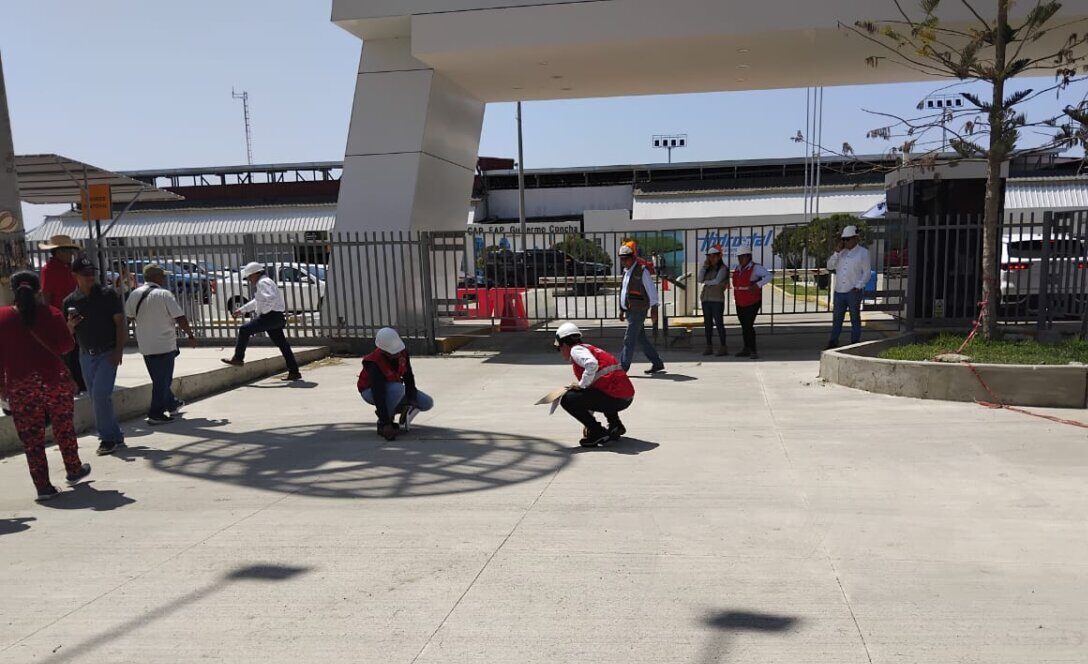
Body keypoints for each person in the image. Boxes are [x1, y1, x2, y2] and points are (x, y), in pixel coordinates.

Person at [0, 271, 91, 501]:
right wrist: (68, 327)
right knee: (63, 427)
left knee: (32, 439)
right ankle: (73, 469)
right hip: (54, 381)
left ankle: (43, 487)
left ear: (13, 290)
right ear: (38, 290)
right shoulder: (52, 314)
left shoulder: (2, 318)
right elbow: (66, 346)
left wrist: (2, 387)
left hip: (21, 385)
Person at [63, 255, 127, 456]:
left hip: (107, 352)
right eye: (85, 274)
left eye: (92, 273)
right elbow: (66, 334)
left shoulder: (107, 295)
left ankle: (107, 439)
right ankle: (116, 435)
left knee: (100, 395)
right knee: (97, 398)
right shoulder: (70, 301)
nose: (90, 277)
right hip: (85, 355)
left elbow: (120, 323)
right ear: (75, 276)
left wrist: (118, 350)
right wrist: (71, 325)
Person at [126, 264, 197, 425]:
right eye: (162, 276)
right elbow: (180, 317)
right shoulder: (164, 294)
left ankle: (171, 404)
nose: (164, 278)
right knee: (162, 380)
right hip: (164, 344)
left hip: (145, 344)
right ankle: (155, 413)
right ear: (156, 277)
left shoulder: (134, 294)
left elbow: (129, 316)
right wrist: (190, 335)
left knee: (159, 379)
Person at [553, 322, 635, 448]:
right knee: (601, 389)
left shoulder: (576, 350)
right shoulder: (590, 349)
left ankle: (598, 433)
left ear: (564, 344)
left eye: (559, 347)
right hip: (625, 397)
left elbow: (591, 365)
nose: (560, 351)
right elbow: (593, 392)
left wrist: (581, 386)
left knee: (567, 399)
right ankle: (615, 425)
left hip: (615, 399)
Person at [221, 262, 302, 381]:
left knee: (244, 330)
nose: (249, 279)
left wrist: (265, 313)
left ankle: (238, 358)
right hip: (277, 318)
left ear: (256, 274)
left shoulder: (263, 283)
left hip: (271, 317)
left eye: (250, 276)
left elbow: (271, 299)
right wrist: (242, 310)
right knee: (283, 345)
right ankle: (294, 372)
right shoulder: (265, 282)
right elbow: (257, 301)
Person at [357, 327, 433, 441]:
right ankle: (383, 420)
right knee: (398, 389)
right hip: (370, 392)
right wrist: (386, 423)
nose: (397, 354)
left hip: (393, 390)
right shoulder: (374, 363)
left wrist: (411, 398)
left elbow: (408, 377)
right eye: (393, 352)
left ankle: (394, 409)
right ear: (383, 350)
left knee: (426, 402)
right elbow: (378, 393)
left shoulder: (402, 352)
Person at [38, 234, 85, 392]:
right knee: (66, 352)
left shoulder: (70, 268)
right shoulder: (49, 270)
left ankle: (80, 381)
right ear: (58, 252)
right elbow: (46, 296)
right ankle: (71, 382)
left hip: (75, 313)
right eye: (68, 251)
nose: (71, 255)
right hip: (60, 316)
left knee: (77, 349)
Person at [618, 244, 665, 374]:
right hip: (629, 310)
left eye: (625, 258)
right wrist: (621, 309)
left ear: (632, 258)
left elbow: (651, 291)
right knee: (641, 339)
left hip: (638, 310)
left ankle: (622, 368)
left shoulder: (642, 271)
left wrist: (654, 308)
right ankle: (657, 362)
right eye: (621, 258)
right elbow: (624, 291)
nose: (623, 261)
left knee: (629, 339)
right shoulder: (626, 271)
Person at [826, 225, 871, 349]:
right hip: (839, 290)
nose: (845, 242)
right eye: (844, 239)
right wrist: (836, 252)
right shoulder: (841, 253)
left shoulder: (863, 253)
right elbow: (829, 266)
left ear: (855, 239)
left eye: (848, 239)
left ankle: (855, 341)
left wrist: (858, 286)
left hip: (853, 291)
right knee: (837, 318)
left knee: (855, 317)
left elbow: (866, 272)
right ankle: (833, 341)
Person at [731, 245, 773, 360]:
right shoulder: (738, 268)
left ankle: (753, 350)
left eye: (742, 257)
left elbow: (769, 276)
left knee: (748, 325)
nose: (740, 259)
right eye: (739, 257)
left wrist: (758, 284)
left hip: (752, 302)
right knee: (744, 326)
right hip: (740, 302)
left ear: (748, 256)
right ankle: (746, 348)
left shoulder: (756, 268)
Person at [698, 245, 730, 356]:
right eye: (709, 256)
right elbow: (700, 279)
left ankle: (723, 346)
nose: (711, 259)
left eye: (713, 256)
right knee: (708, 324)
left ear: (718, 257)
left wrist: (707, 282)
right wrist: (704, 267)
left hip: (717, 299)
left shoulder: (723, 268)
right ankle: (709, 346)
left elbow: (717, 281)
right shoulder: (708, 268)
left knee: (719, 323)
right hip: (706, 299)